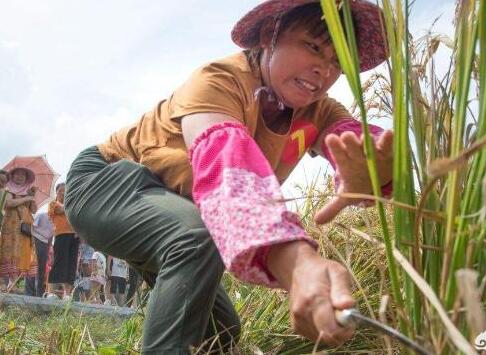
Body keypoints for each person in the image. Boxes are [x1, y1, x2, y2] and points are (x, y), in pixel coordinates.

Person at [64, 0, 392, 353]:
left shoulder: (320, 110)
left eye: (337, 62)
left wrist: (377, 166)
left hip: (171, 207)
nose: (322, 70)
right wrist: (295, 263)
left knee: (220, 333)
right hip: (107, 182)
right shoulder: (219, 80)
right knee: (194, 236)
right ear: (270, 35)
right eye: (313, 47)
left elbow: (356, 138)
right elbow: (225, 165)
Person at [0, 168, 38, 292]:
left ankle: (14, 282)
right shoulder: (8, 189)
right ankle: (6, 281)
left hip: (24, 227)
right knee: (9, 251)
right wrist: (25, 199)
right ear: (12, 176)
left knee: (20, 252)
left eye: (23, 175)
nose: (20, 177)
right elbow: (8, 203)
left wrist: (32, 196)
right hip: (10, 225)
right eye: (17, 174)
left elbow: (33, 210)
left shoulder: (27, 191)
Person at [47, 183, 79, 300]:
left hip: (74, 236)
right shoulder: (53, 204)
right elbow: (60, 210)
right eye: (61, 191)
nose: (63, 193)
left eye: (66, 191)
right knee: (59, 262)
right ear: (57, 192)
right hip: (61, 235)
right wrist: (72, 204)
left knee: (71, 264)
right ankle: (50, 291)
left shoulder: (71, 206)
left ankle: (67, 293)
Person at [25, 210, 54, 297]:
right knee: (33, 267)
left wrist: (48, 247)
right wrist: (33, 242)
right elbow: (32, 227)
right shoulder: (42, 214)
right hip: (36, 240)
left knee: (41, 269)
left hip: (45, 243)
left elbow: (51, 235)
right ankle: (29, 293)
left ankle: (39, 294)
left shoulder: (55, 218)